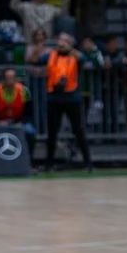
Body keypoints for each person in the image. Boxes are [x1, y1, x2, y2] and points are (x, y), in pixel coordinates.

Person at [35, 33, 92, 171]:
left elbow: (84, 59)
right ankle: (49, 164)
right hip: (54, 98)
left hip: (71, 98)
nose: (61, 43)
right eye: (60, 40)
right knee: (52, 133)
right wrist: (40, 47)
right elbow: (34, 60)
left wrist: (70, 49)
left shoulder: (74, 55)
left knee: (78, 130)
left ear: (70, 43)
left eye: (65, 41)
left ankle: (88, 163)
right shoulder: (51, 55)